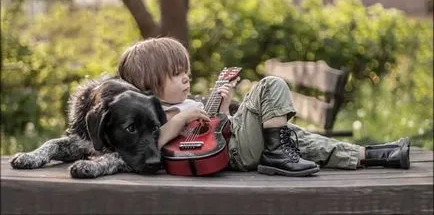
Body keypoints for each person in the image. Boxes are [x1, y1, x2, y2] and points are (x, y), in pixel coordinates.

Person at [117, 37, 410, 177]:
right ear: (150, 83)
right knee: (270, 85)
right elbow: (148, 146)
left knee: (297, 137)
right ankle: (277, 155)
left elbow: (216, 130)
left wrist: (220, 109)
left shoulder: (187, 103)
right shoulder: (153, 113)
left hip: (228, 148)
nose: (186, 77)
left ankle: (378, 155)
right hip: (230, 155)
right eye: (176, 73)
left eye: (186, 71)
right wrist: (181, 120)